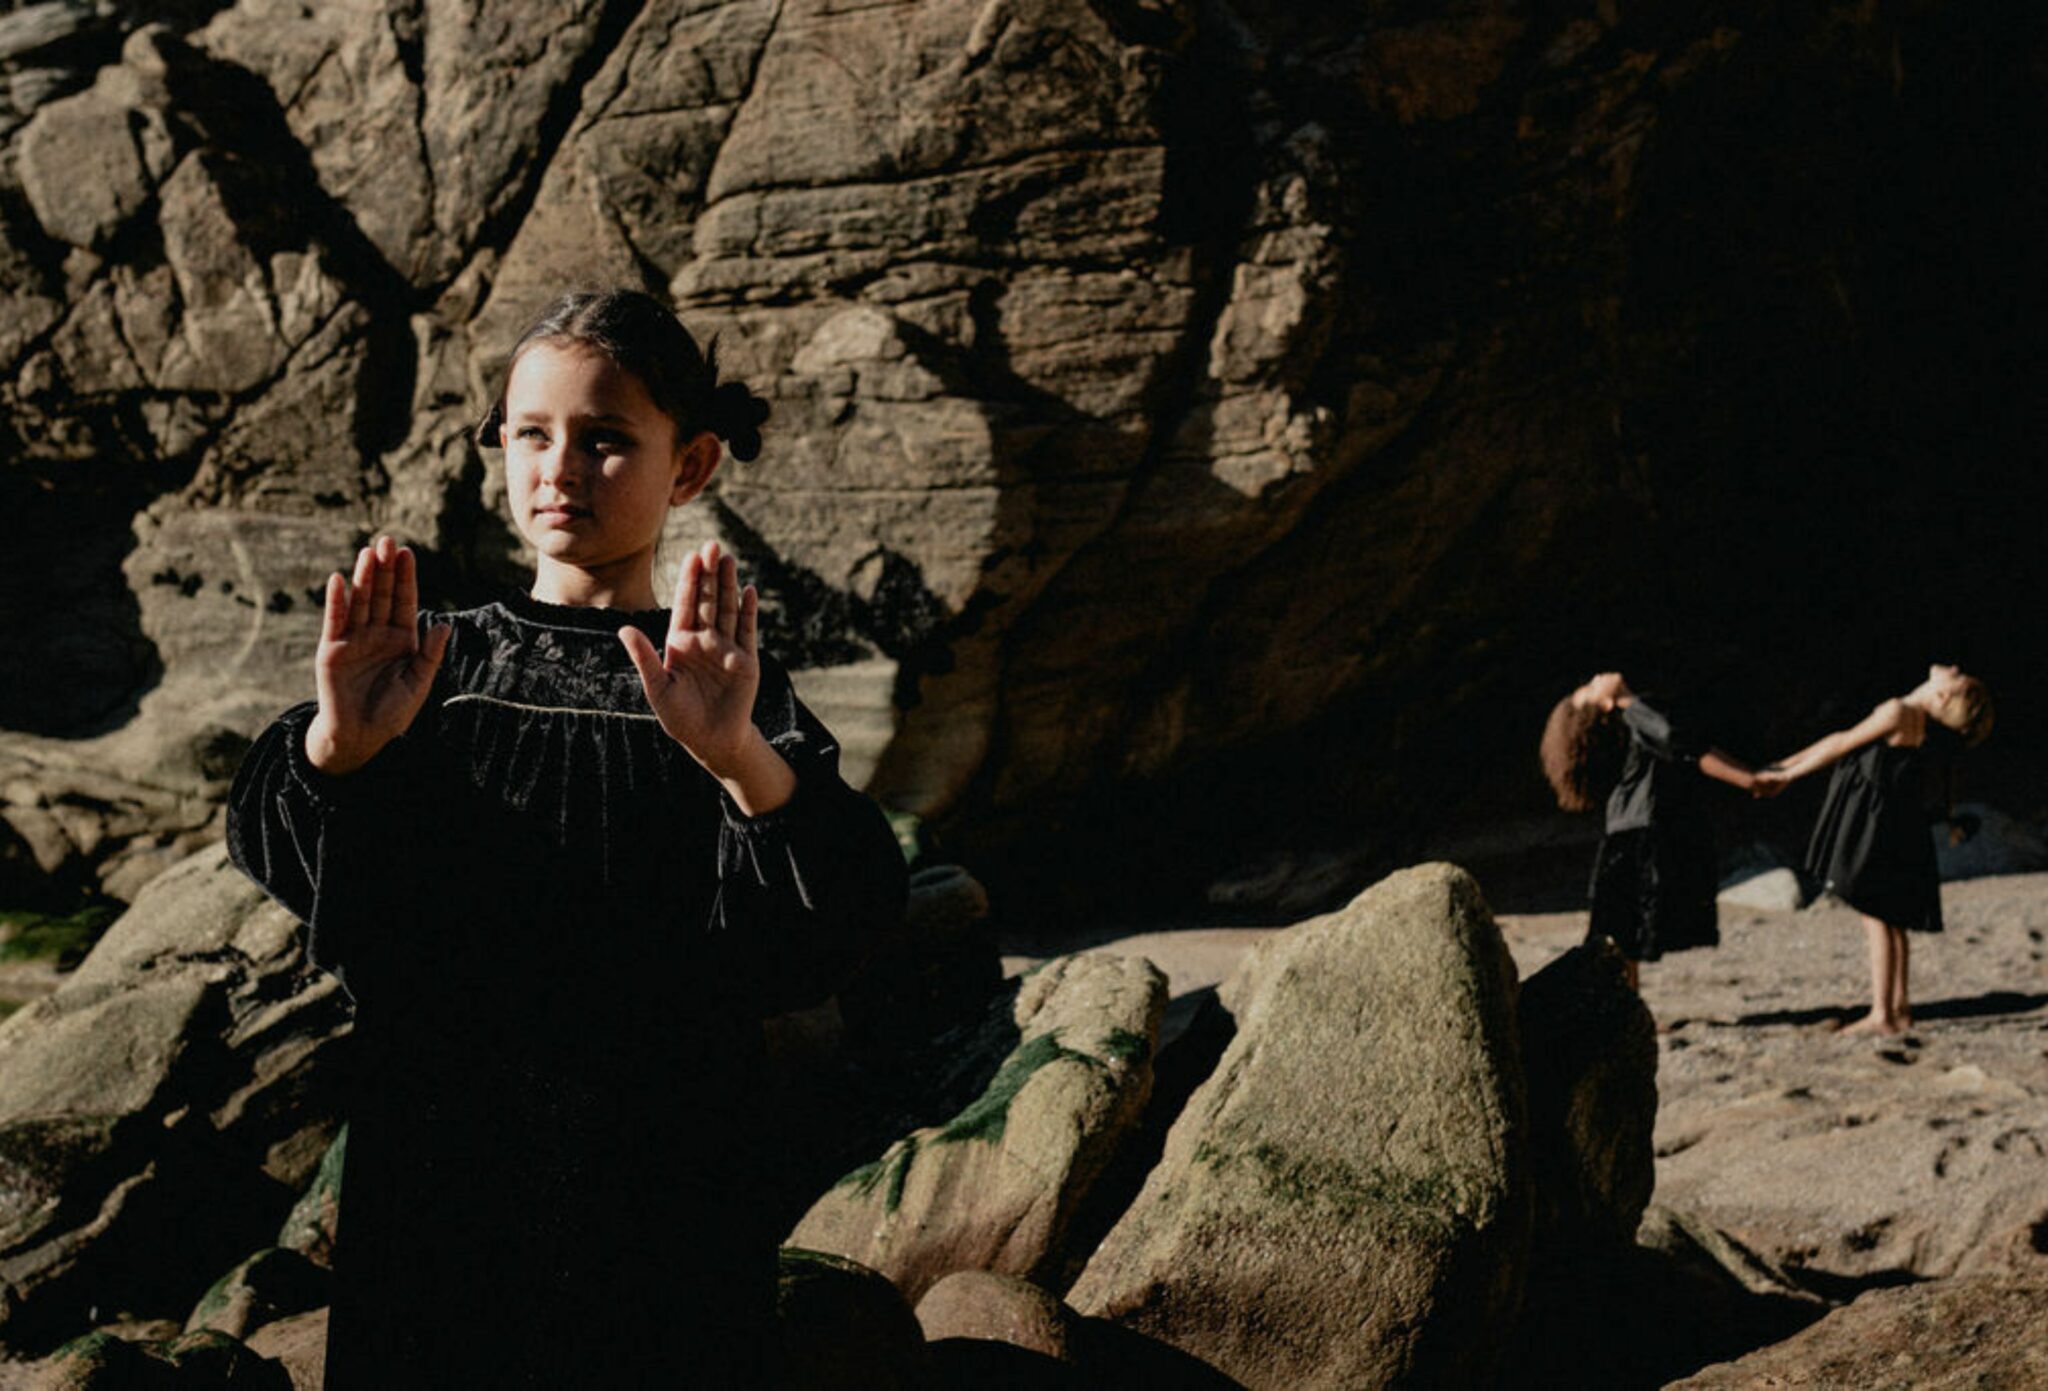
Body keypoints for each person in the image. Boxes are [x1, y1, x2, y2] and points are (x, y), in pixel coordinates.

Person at [226, 289, 908, 1386]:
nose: (560, 469)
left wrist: (736, 755)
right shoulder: (425, 663)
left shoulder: (718, 681)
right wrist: (338, 745)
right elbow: (277, 842)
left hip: (661, 1177)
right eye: (531, 434)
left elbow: (844, 912)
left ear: (688, 468)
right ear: (497, 444)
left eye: (604, 441)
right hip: (439, 1169)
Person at [1756, 663, 1994, 1036]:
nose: (1954, 667)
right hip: (1899, 824)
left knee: (1876, 916)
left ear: (1943, 695)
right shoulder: (1916, 721)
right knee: (1892, 920)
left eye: (1958, 676)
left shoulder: (1898, 712)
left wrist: (1786, 775)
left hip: (1876, 826)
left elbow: (1841, 742)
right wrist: (1784, 765)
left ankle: (1882, 1014)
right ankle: (1899, 1008)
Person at [1541, 672, 1772, 991]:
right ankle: (1627, 1008)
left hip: (1633, 830)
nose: (1596, 678)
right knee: (1621, 931)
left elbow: (1684, 741)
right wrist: (1747, 779)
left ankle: (1629, 1006)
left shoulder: (1635, 717)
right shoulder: (1634, 718)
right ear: (1605, 706)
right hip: (1637, 833)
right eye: (1591, 688)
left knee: (1623, 929)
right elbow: (1680, 741)